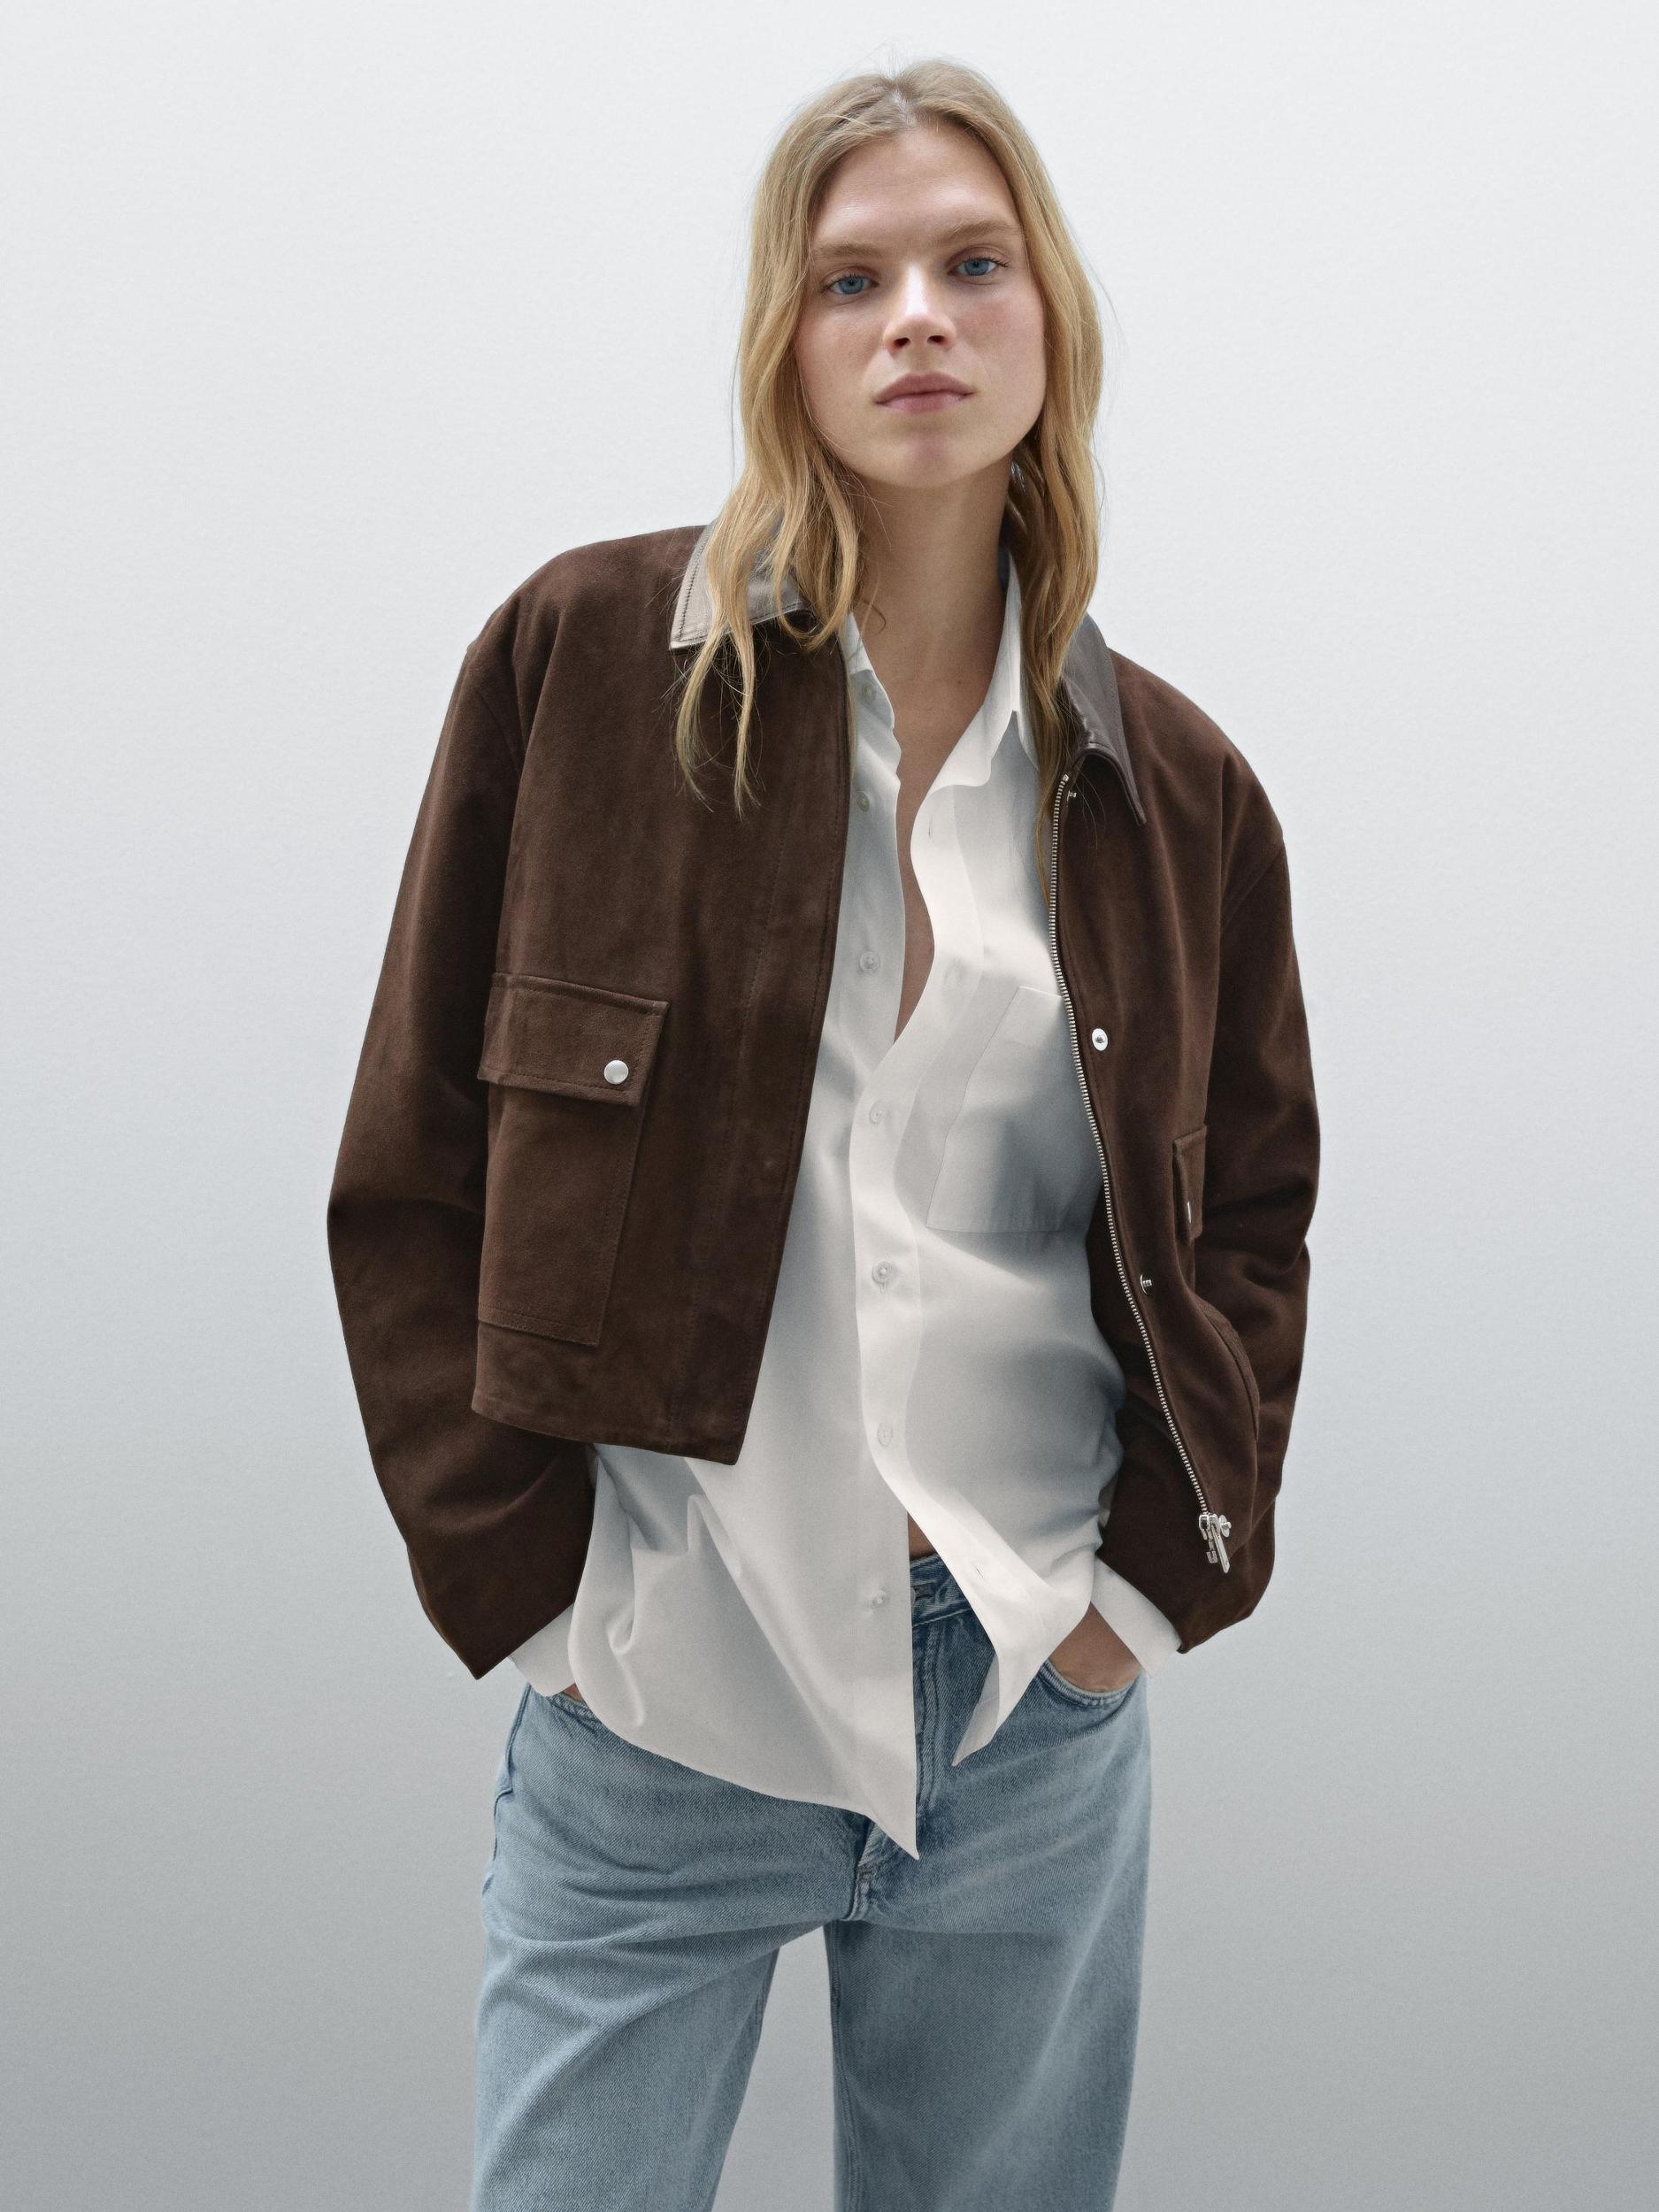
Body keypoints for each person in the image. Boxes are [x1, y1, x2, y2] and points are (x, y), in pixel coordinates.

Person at [326, 57, 1319, 2212]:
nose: (915, 319)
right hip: (666, 1671)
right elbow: (410, 1168)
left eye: (971, 264)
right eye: (850, 278)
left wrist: (1136, 1603)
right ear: (781, 335)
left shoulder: (1176, 791)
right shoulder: (585, 666)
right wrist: (532, 1602)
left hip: (1024, 1701)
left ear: (1049, 316)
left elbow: (1246, 1214)